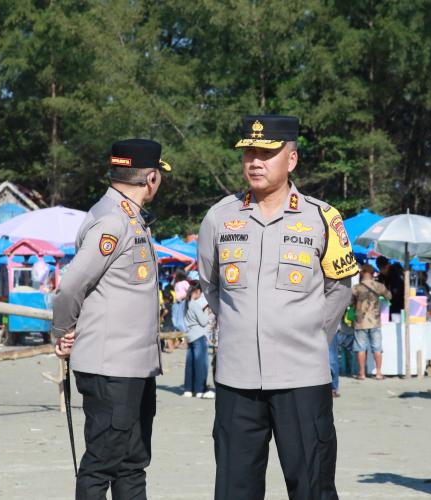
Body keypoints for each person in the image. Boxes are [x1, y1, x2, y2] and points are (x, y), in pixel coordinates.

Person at [198, 114, 358, 500]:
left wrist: (308, 334)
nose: (256, 161)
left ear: (292, 159)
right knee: (235, 488)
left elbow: (340, 288)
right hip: (237, 380)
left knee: (312, 487)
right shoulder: (220, 216)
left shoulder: (323, 216)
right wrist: (239, 328)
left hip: (301, 378)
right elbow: (210, 284)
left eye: (267, 153)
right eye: (249, 152)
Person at [51, 139, 171, 500]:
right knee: (101, 463)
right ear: (151, 178)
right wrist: (62, 330)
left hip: (133, 366)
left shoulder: (129, 217)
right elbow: (71, 284)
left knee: (133, 463)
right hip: (110, 367)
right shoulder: (112, 221)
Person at [351, 264, 392, 380]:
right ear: (372, 273)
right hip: (375, 321)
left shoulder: (356, 288)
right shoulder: (379, 286)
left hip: (360, 322)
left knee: (361, 348)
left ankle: (362, 373)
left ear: (362, 273)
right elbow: (389, 296)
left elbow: (349, 302)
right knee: (377, 348)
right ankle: (379, 373)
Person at [182, 282, 215, 399]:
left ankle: (188, 389)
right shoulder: (195, 304)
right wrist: (206, 310)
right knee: (201, 365)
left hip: (190, 335)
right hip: (199, 336)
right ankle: (199, 389)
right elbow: (203, 321)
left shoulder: (185, 304)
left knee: (190, 365)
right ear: (197, 292)